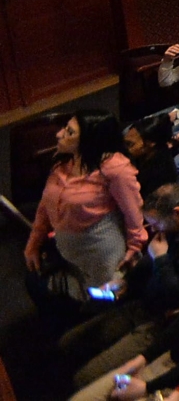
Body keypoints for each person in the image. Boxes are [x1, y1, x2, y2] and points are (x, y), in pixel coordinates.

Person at [26, 113, 147, 304]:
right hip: (68, 248)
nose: (59, 134)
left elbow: (133, 212)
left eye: (69, 132)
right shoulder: (64, 161)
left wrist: (134, 248)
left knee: (104, 301)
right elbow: (46, 205)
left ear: (89, 140)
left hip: (101, 251)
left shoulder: (114, 168)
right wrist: (34, 242)